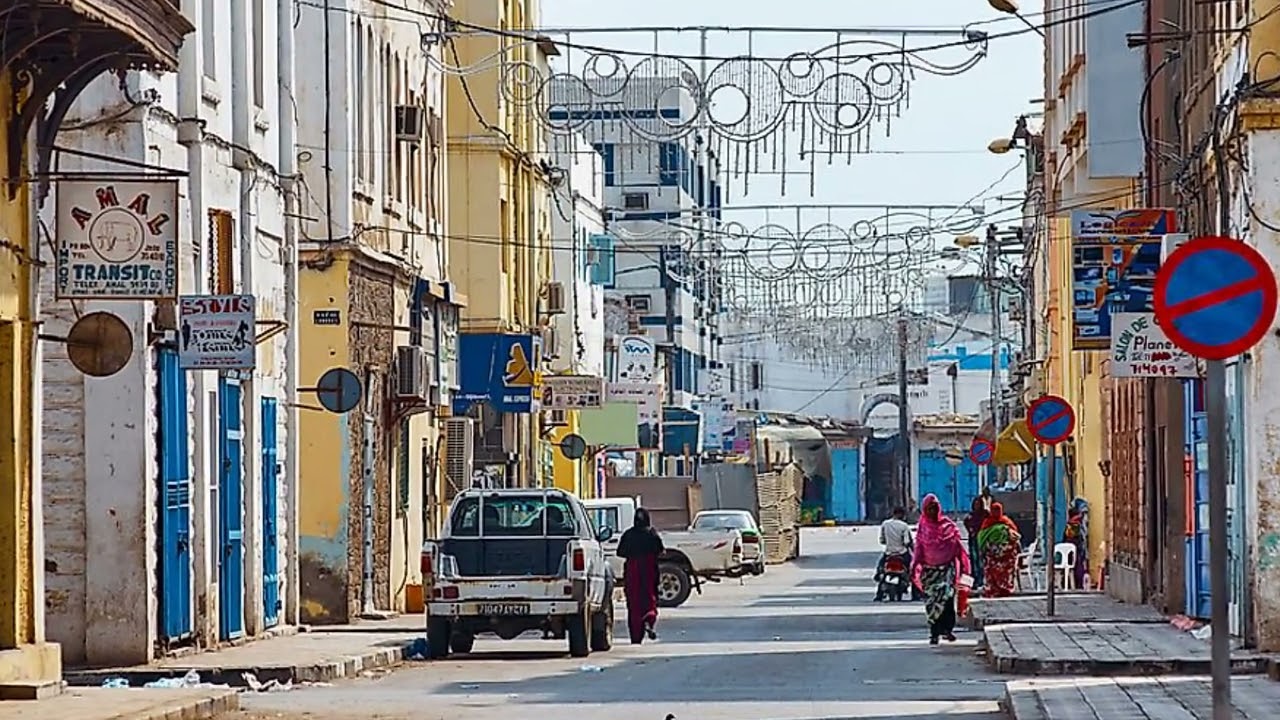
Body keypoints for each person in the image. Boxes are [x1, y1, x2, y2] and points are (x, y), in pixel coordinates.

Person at [912, 493, 971, 645]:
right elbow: (919, 548)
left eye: (934, 508)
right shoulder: (923, 527)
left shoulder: (948, 526)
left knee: (947, 598)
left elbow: (958, 548)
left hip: (947, 571)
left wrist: (965, 567)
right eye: (929, 509)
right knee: (932, 603)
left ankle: (948, 630)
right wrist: (915, 567)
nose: (932, 511)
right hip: (929, 572)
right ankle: (934, 632)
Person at [617, 507, 664, 644]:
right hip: (649, 570)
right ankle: (649, 620)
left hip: (632, 571)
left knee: (633, 603)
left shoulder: (628, 534)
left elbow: (620, 552)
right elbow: (660, 550)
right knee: (649, 598)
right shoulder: (652, 534)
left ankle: (636, 636)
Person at [977, 502, 1022, 597]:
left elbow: (1015, 536)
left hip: (1006, 555)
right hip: (993, 555)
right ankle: (994, 589)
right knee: (992, 569)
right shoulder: (988, 522)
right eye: (994, 510)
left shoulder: (1006, 521)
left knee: (1006, 570)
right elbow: (982, 537)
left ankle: (1005, 589)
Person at [874, 507, 914, 602]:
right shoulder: (904, 526)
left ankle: (879, 594)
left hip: (889, 553)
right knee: (913, 572)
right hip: (902, 553)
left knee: (881, 570)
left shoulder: (885, 524)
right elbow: (907, 541)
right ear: (902, 515)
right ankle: (916, 594)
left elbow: (882, 540)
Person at [1064, 497, 1089, 589]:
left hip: (1073, 548)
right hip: (1076, 548)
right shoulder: (1076, 523)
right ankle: (1077, 583)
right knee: (1078, 565)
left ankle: (1076, 583)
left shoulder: (1072, 523)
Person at [963, 496, 988, 589]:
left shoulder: (985, 514)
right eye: (975, 504)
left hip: (982, 540)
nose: (977, 506)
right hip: (973, 540)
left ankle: (981, 579)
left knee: (981, 560)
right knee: (974, 560)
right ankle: (975, 580)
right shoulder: (971, 515)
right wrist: (970, 531)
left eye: (978, 504)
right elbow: (966, 522)